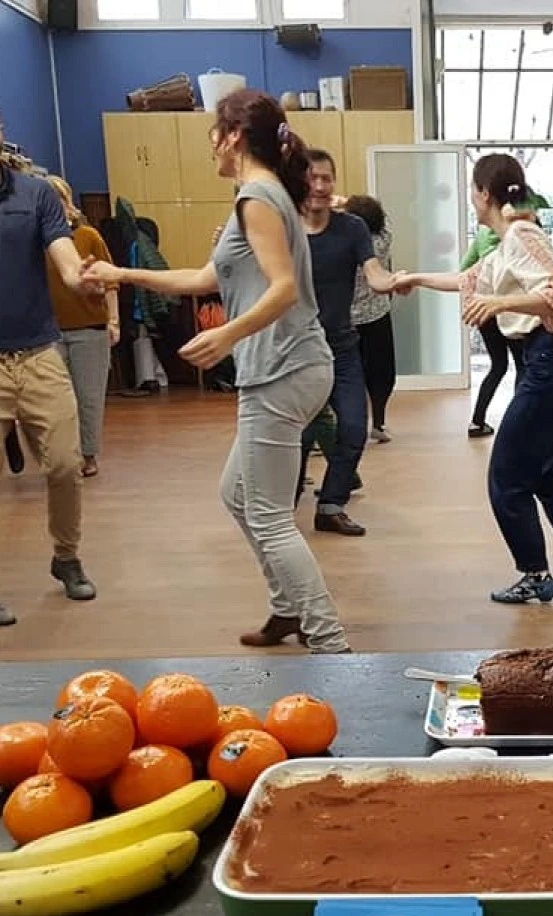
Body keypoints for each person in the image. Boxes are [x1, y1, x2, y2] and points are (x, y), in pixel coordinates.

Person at [83, 89, 352, 653]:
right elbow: (205, 277)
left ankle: (330, 643)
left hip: (282, 371)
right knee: (238, 495)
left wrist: (227, 334)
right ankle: (288, 610)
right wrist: (120, 274)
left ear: (232, 135)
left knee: (271, 516)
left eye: (214, 132)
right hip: (288, 368)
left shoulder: (257, 195)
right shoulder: (259, 195)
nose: (211, 143)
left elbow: (282, 290)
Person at [396, 153, 553, 603]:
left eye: (473, 192)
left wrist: (500, 305)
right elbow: (465, 279)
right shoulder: (504, 244)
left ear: (484, 194)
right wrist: (413, 278)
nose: (472, 200)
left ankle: (534, 574)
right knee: (549, 470)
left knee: (507, 476)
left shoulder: (519, 235)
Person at [1, 113, 101, 619]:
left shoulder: (34, 194)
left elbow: (61, 251)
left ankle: (66, 557)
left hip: (38, 350)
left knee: (64, 462)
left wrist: (78, 277)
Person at [302, 150, 398, 537]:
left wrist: (393, 281)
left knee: (354, 428)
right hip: (299, 349)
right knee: (300, 437)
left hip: (341, 346)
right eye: (313, 179)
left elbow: (373, 274)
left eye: (327, 179)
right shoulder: (283, 228)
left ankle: (330, 504)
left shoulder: (353, 228)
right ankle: (283, 506)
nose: (321, 187)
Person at [45, 176, 120, 478]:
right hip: (48, 332)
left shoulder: (88, 236)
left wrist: (113, 321)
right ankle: (63, 455)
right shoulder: (35, 242)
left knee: (88, 397)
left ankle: (88, 454)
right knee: (55, 401)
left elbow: (111, 282)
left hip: (90, 329)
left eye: (58, 200)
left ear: (67, 203)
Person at [461, 188, 552, 438]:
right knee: (518, 364)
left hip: (491, 310)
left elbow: (464, 270)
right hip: (500, 311)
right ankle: (519, 420)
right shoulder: (509, 244)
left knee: (500, 365)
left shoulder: (495, 239)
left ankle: (480, 420)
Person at [345, 194, 397, 443]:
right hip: (377, 314)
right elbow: (386, 224)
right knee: (382, 373)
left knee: (348, 376)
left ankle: (346, 428)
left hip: (346, 318)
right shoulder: (383, 240)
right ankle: (378, 422)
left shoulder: (345, 241)